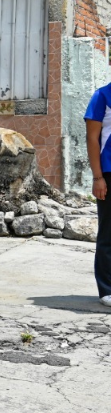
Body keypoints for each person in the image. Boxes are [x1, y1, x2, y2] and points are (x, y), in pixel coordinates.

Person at [85, 81, 111, 307]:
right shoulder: (103, 95)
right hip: (109, 173)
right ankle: (107, 289)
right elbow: (92, 138)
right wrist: (97, 177)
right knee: (109, 233)